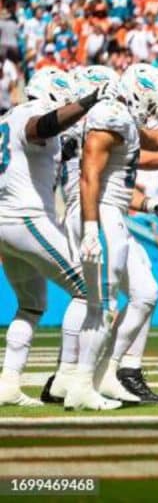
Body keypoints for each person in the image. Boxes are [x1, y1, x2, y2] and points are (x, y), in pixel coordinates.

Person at [71, 63, 158, 410]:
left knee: (146, 293)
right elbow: (90, 174)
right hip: (100, 213)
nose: (151, 112)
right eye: (151, 103)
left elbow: (153, 144)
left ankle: (108, 372)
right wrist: (89, 228)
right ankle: (82, 384)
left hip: (113, 212)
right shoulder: (110, 114)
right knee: (103, 304)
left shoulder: (122, 118)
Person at [0, 67, 107, 407]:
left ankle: (9, 383)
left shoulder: (7, 118)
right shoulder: (32, 114)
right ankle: (68, 379)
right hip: (26, 217)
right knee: (89, 290)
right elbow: (41, 126)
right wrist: (88, 102)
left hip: (9, 220)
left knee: (31, 305)